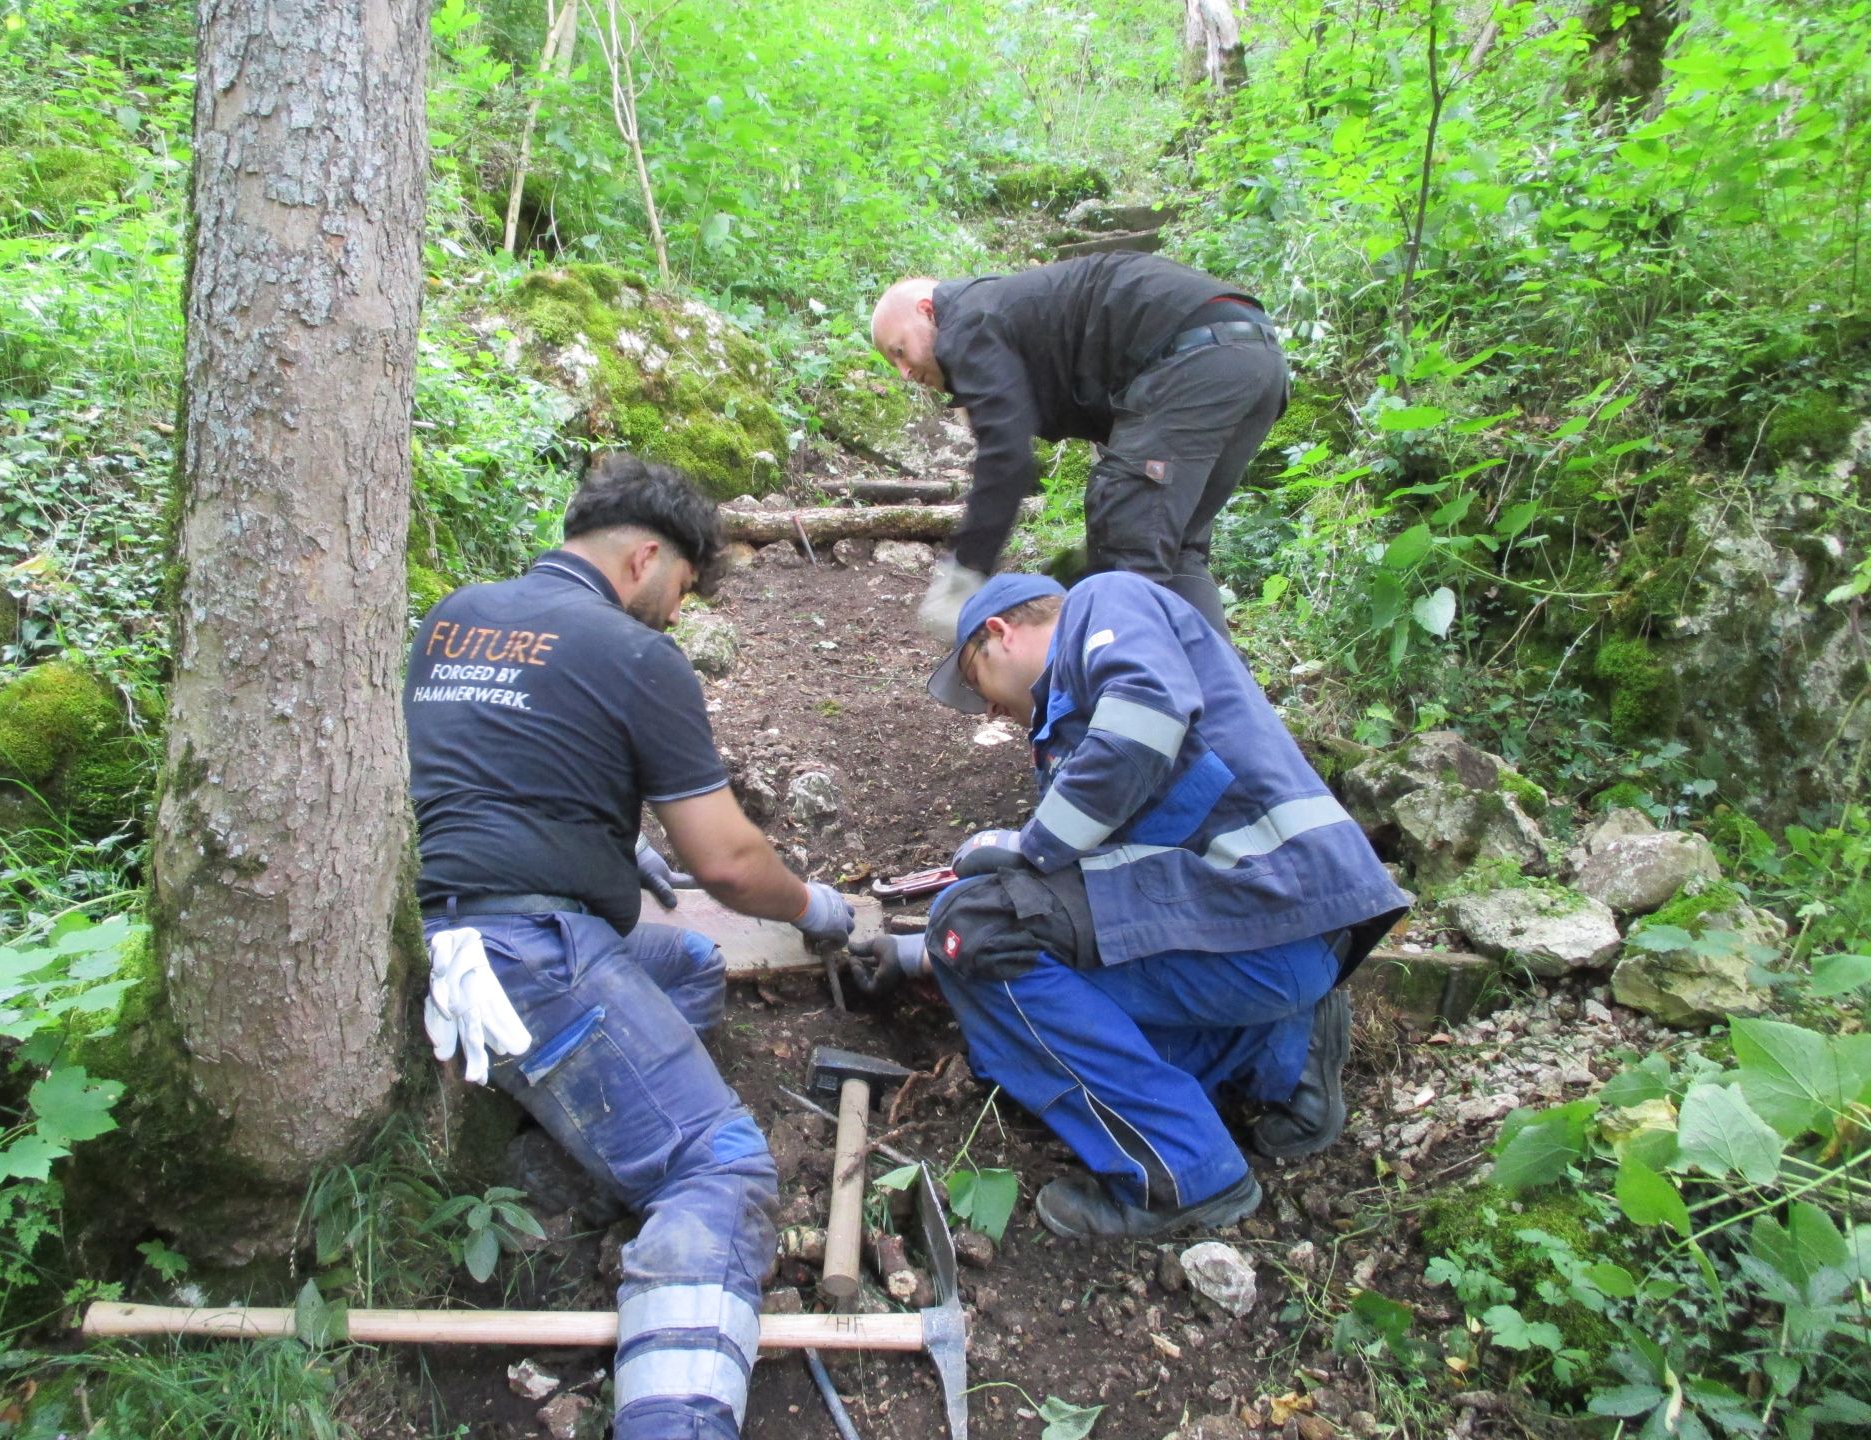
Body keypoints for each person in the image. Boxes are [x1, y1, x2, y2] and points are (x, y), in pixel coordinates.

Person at [404, 455, 856, 1440]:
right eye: (682, 591)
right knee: (721, 1168)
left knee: (689, 963)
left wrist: (610, 851)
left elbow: (497, 764)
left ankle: (593, 1130)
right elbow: (730, 865)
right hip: (531, 954)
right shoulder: (636, 654)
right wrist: (815, 908)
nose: (674, 613)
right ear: (646, 557)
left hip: (433, 935)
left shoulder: (454, 616)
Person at [847, 571, 1407, 1240]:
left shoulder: (1102, 602)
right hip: (1285, 933)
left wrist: (1026, 852)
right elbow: (1086, 903)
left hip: (1261, 913)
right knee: (1026, 1028)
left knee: (977, 929)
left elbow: (1144, 720)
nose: (990, 712)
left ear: (1000, 632)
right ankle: (1282, 1056)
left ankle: (1185, 1175)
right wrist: (916, 955)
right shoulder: (1078, 727)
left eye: (975, 682)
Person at [869, 251, 1290, 645]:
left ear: (928, 310)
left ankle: (1122, 712)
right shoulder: (1013, 313)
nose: (904, 372)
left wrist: (966, 574)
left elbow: (1007, 455)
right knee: (1175, 552)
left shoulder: (966, 320)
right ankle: (1230, 712)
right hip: (1255, 360)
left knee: (1127, 552)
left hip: (1194, 358)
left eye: (900, 351)